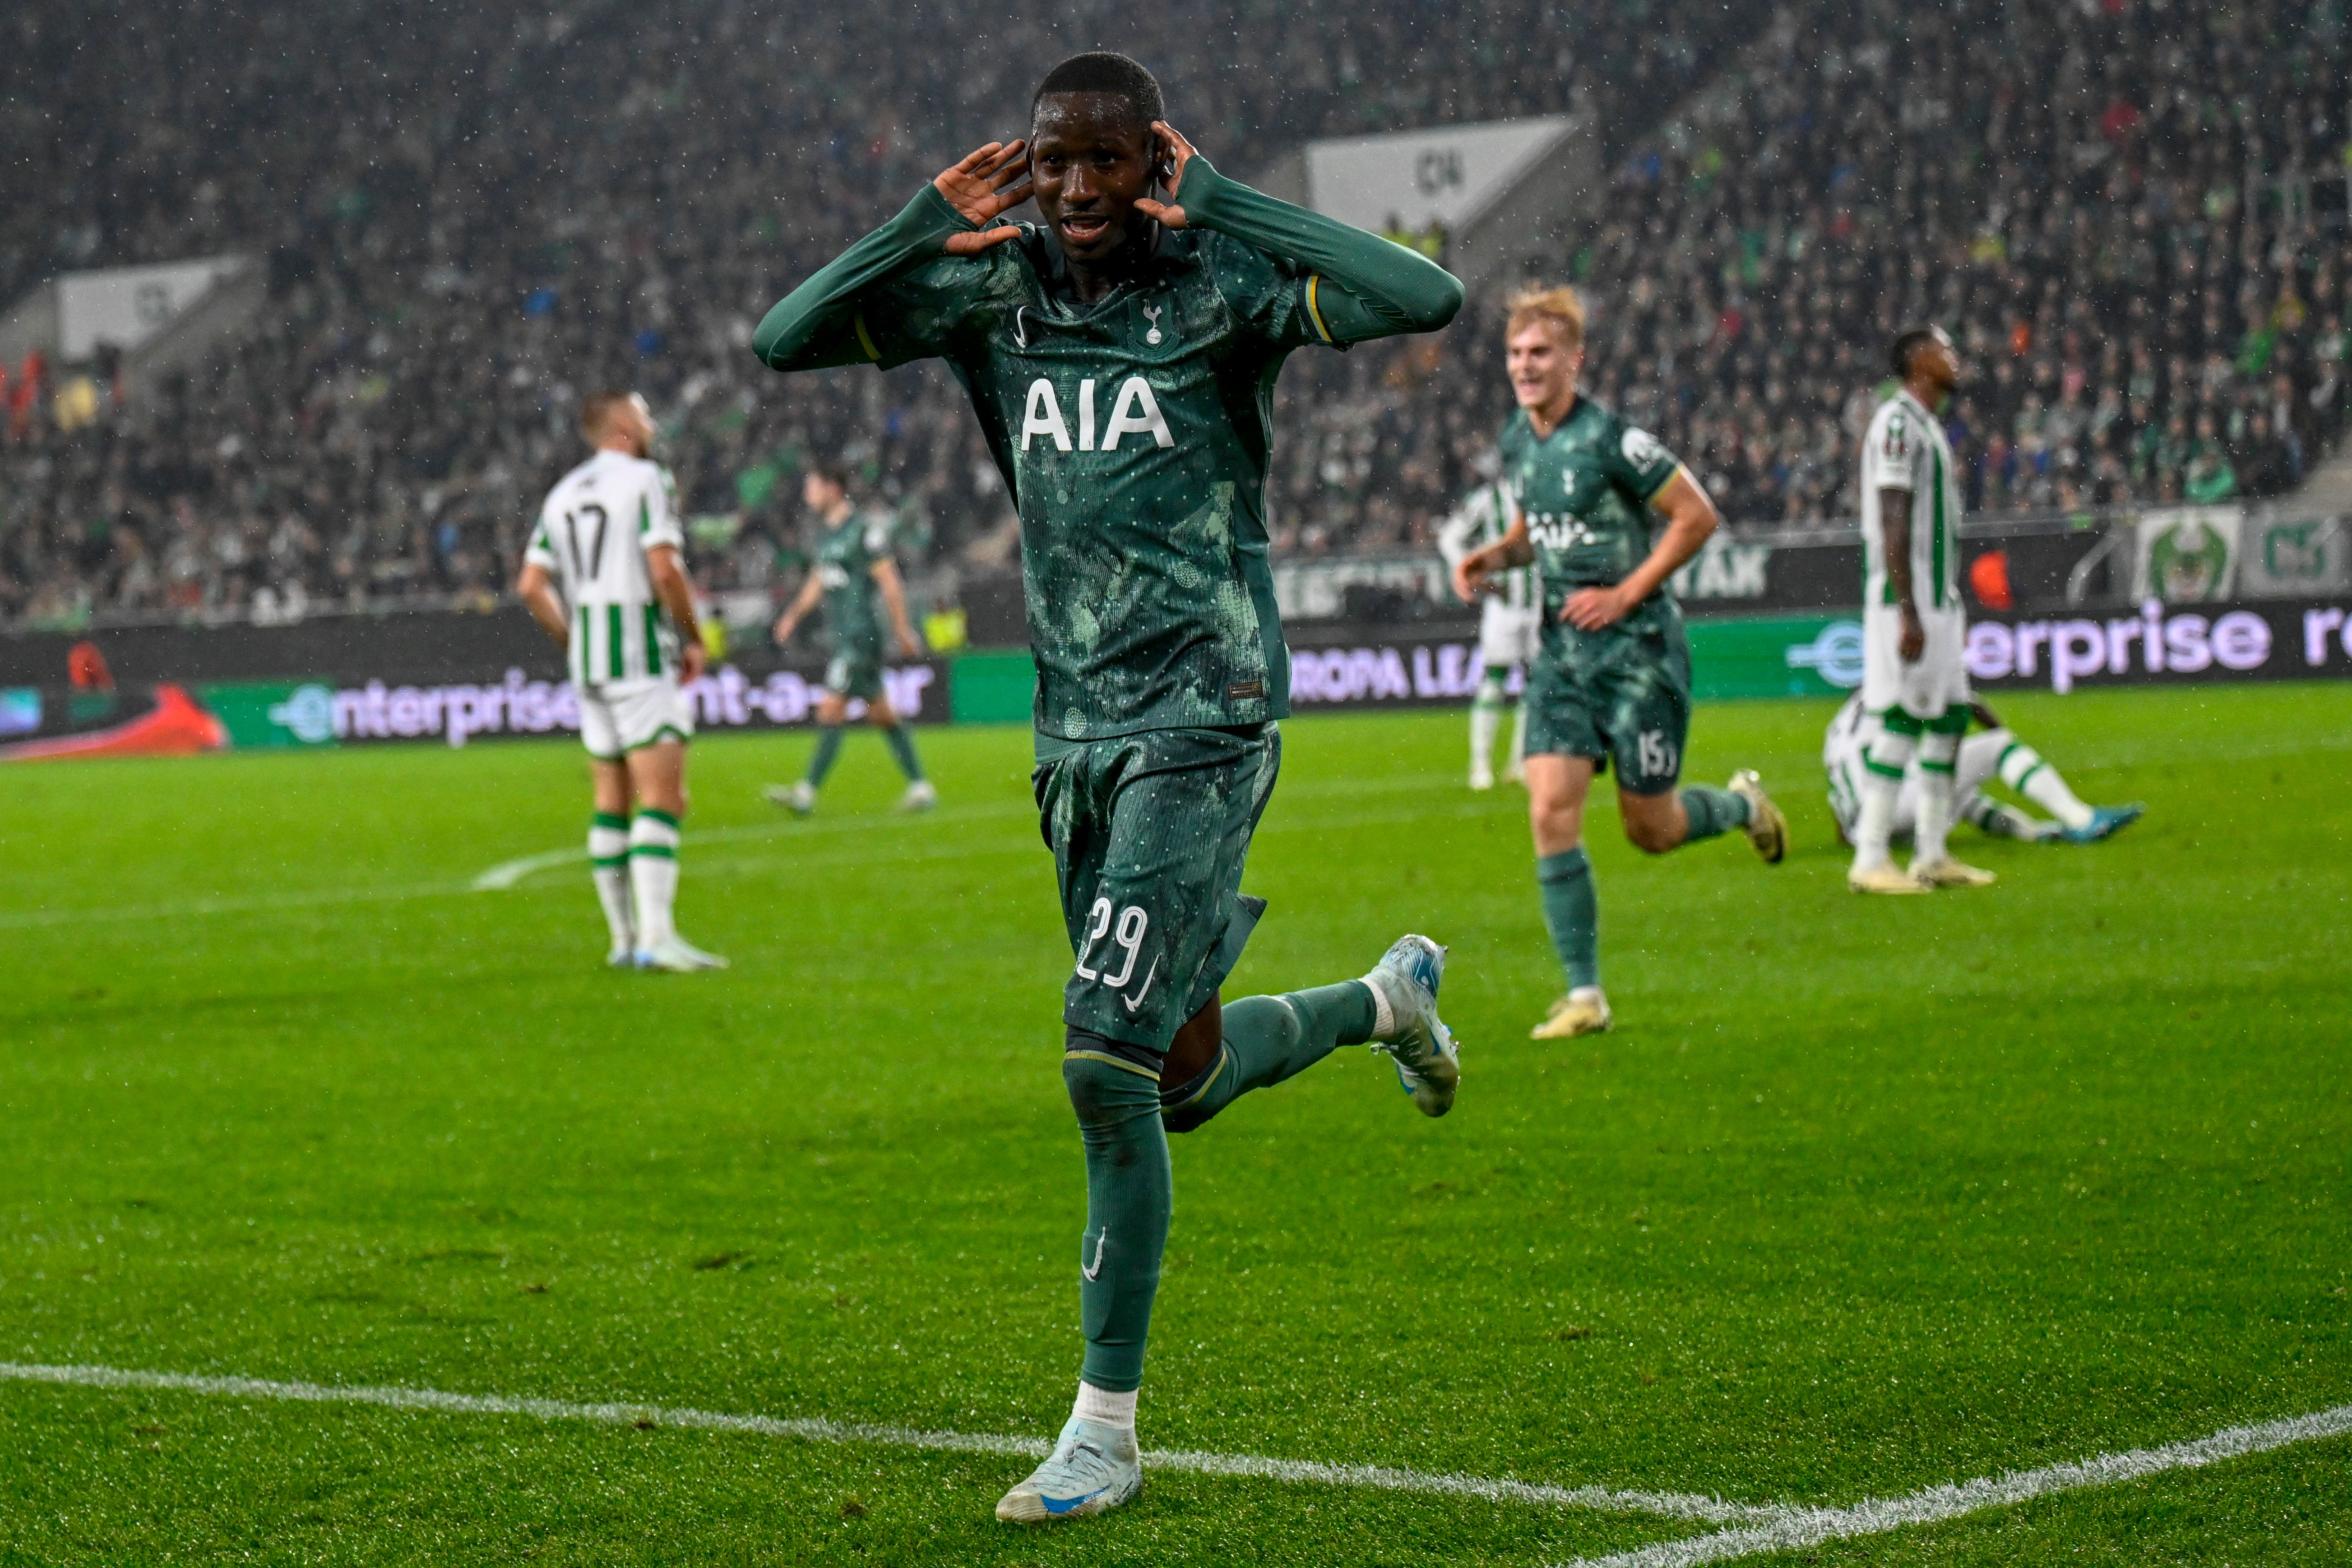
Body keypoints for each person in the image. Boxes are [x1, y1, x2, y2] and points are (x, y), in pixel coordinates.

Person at [750, 51, 1467, 1524]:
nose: (1075, 188)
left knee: (1099, 1062)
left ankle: (1103, 1428)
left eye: (1104, 161)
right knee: (1181, 1077)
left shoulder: (1219, 283)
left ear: (1149, 159)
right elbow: (782, 341)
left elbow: (1426, 298)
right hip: (1074, 728)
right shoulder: (990, 291)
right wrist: (908, 222)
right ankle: (1385, 1002)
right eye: (1051, 161)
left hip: (1205, 708)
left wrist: (1227, 201)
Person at [1453, 286, 1786, 1041]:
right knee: (1547, 809)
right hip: (1564, 657)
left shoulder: (1614, 440)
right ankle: (1584, 996)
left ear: (1576, 359)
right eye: (1515, 354)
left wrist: (1625, 592)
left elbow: (1696, 515)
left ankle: (1741, 806)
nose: (1525, 366)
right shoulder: (1516, 440)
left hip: (1638, 658)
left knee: (1652, 829)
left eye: (1540, 353)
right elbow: (1534, 525)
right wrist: (1498, 555)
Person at [516, 391, 727, 972]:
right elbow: (664, 567)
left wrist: (572, 640)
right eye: (644, 412)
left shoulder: (563, 493)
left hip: (590, 665)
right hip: (638, 658)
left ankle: (622, 940)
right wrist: (692, 635)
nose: (652, 420)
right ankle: (657, 938)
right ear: (623, 426)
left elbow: (532, 585)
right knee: (663, 796)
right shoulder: (645, 480)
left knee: (611, 801)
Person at [1846, 326, 1998, 894]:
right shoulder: (1895, 423)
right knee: (1903, 722)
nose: (1956, 358)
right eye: (1944, 349)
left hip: (1938, 601)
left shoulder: (1926, 425)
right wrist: (1907, 608)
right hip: (1904, 603)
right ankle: (1869, 856)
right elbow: (1891, 515)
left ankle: (1931, 854)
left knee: (1950, 719)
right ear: (1918, 362)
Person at [763, 462, 935, 815]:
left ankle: (806, 793)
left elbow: (890, 582)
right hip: (843, 637)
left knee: (831, 707)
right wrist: (791, 617)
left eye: (812, 486)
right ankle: (921, 787)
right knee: (882, 713)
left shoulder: (863, 531)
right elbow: (817, 582)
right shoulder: (825, 536)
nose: (807, 495)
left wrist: (903, 631)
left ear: (832, 488)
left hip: (860, 635)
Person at [1824, 695, 2144, 846]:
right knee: (1998, 746)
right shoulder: (1909, 678)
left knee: (1954, 792)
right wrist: (1999, 740)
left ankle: (2039, 833)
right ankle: (2082, 819)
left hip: (1862, 828)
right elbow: (1967, 703)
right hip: (1893, 811)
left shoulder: (1847, 717)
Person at [1435, 470, 1537, 790]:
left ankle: (1520, 763)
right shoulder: (1488, 498)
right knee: (1494, 681)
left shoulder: (1547, 491)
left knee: (1537, 685)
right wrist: (1467, 568)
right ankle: (1480, 764)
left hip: (1541, 606)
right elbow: (1449, 537)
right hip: (1503, 606)